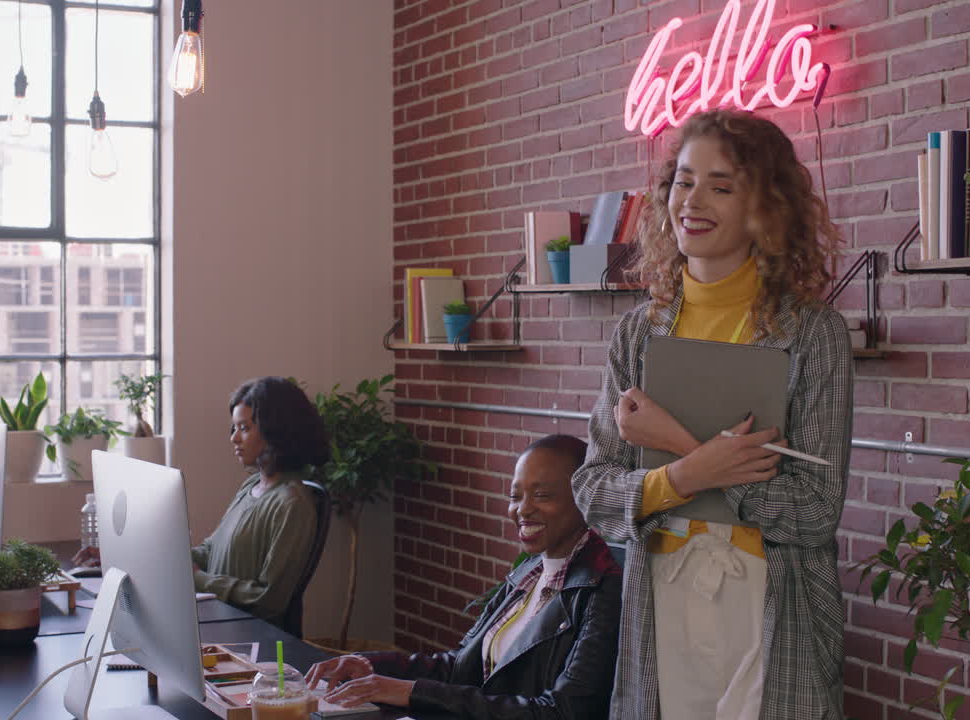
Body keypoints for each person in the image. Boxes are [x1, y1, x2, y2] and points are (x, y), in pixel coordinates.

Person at [573, 109, 853, 720]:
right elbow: (593, 493)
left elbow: (815, 511)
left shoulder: (813, 335)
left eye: (721, 186)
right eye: (683, 180)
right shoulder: (638, 336)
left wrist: (674, 443)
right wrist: (690, 475)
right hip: (661, 601)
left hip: (772, 611)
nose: (692, 201)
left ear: (767, 209)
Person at [305, 434, 622, 720]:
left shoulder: (603, 590)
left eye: (542, 495)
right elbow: (459, 667)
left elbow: (563, 712)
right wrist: (372, 667)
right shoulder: (530, 571)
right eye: (515, 496)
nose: (522, 510)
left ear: (585, 499)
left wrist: (408, 692)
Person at [187, 376, 329, 626]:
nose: (234, 438)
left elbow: (269, 600)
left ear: (275, 431)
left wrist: (197, 578)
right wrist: (170, 558)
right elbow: (212, 549)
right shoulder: (252, 485)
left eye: (244, 428)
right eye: (234, 428)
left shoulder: (292, 504)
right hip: (221, 622)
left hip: (250, 639)